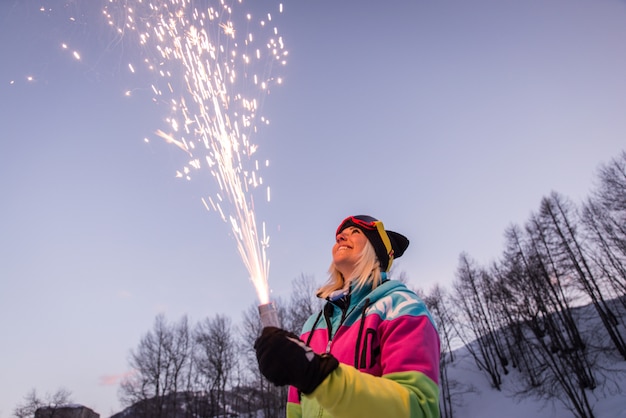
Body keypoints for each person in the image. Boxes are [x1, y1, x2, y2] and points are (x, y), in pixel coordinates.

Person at [255, 215, 440, 417]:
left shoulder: (402, 307)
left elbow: (419, 409)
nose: (342, 237)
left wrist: (320, 376)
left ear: (376, 250)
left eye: (355, 232)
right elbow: (295, 409)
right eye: (340, 236)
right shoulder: (312, 325)